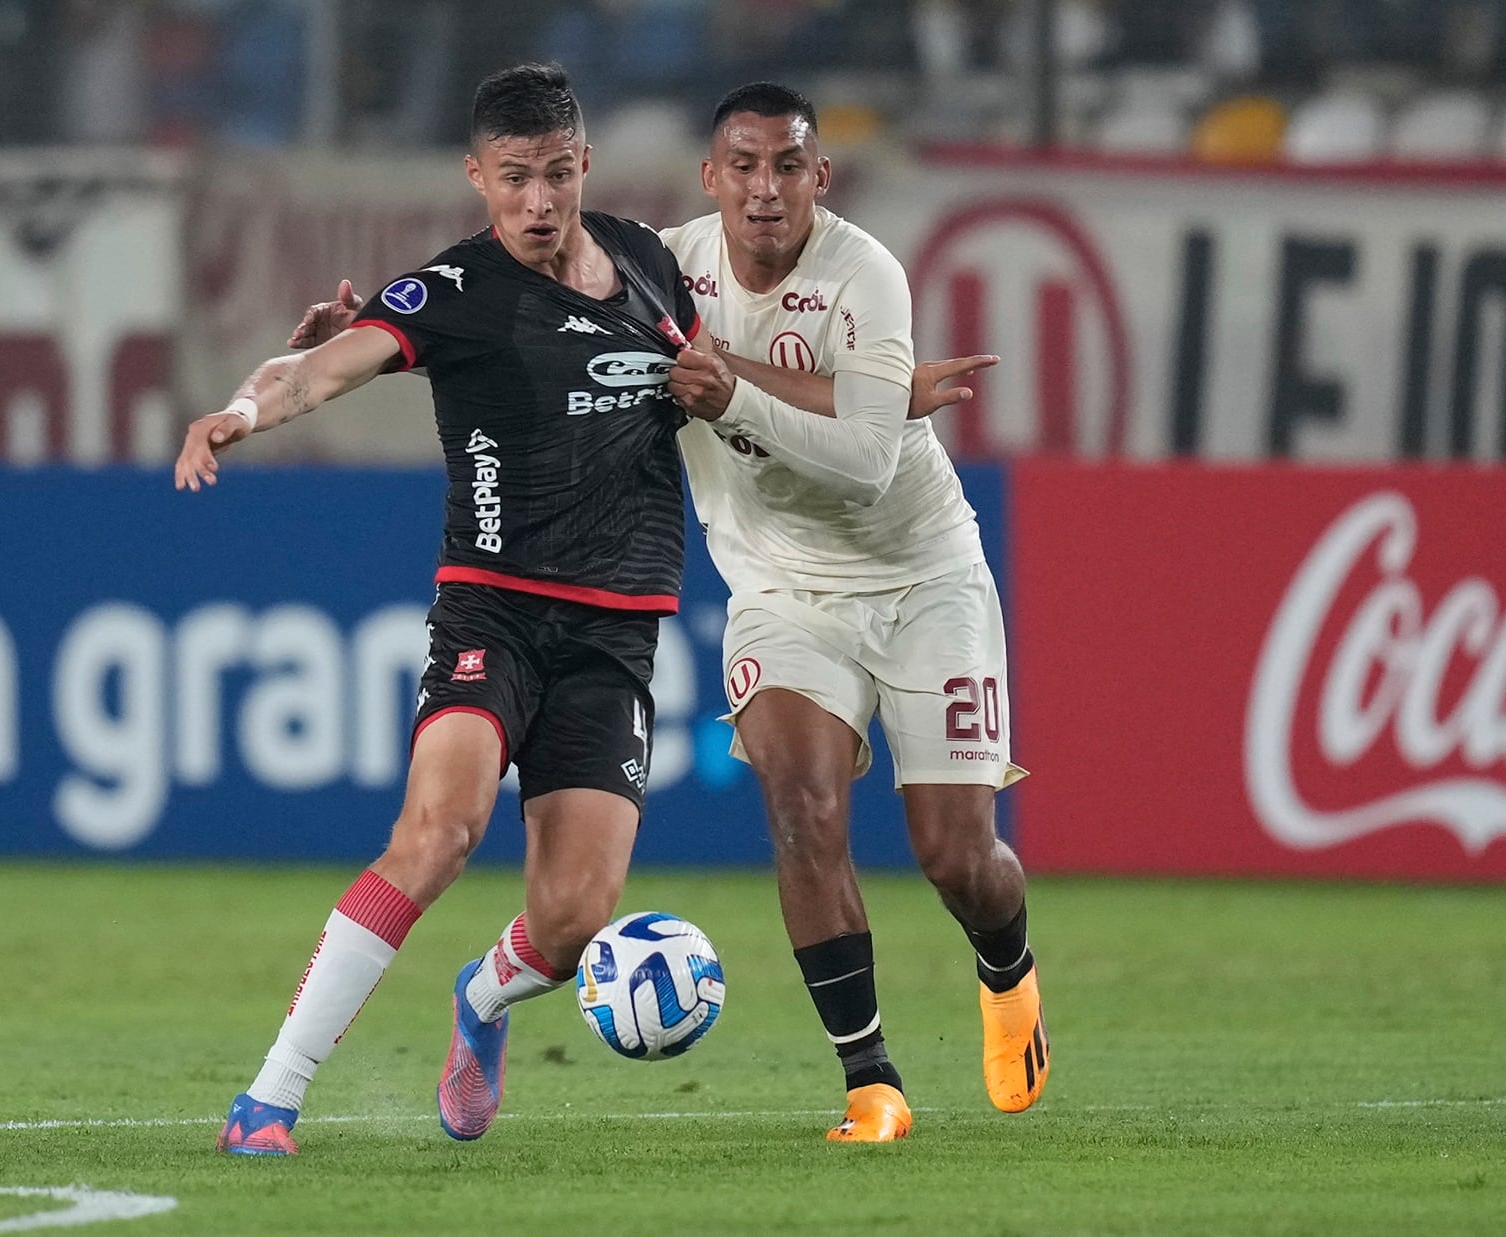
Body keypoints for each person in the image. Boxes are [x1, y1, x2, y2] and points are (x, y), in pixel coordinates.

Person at [289, 81, 1046, 1144]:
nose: (763, 190)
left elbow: (872, 463)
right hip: (779, 594)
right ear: (710, 178)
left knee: (955, 854)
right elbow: (494, 288)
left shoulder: (862, 273)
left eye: (786, 166)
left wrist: (743, 388)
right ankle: (869, 1078)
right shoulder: (655, 263)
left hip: (922, 577)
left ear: (817, 178)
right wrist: (362, 333)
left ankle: (1004, 965)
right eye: (741, 166)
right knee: (800, 801)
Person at [176, 62, 711, 1155]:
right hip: (494, 614)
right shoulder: (456, 291)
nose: (535, 201)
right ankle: (266, 1102)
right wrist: (242, 407)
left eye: (554, 175)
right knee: (436, 832)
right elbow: (320, 371)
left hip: (615, 634)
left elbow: (707, 389)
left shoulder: (652, 266)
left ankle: (482, 995)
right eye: (512, 178)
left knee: (569, 923)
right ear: (476, 177)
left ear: (583, 167)